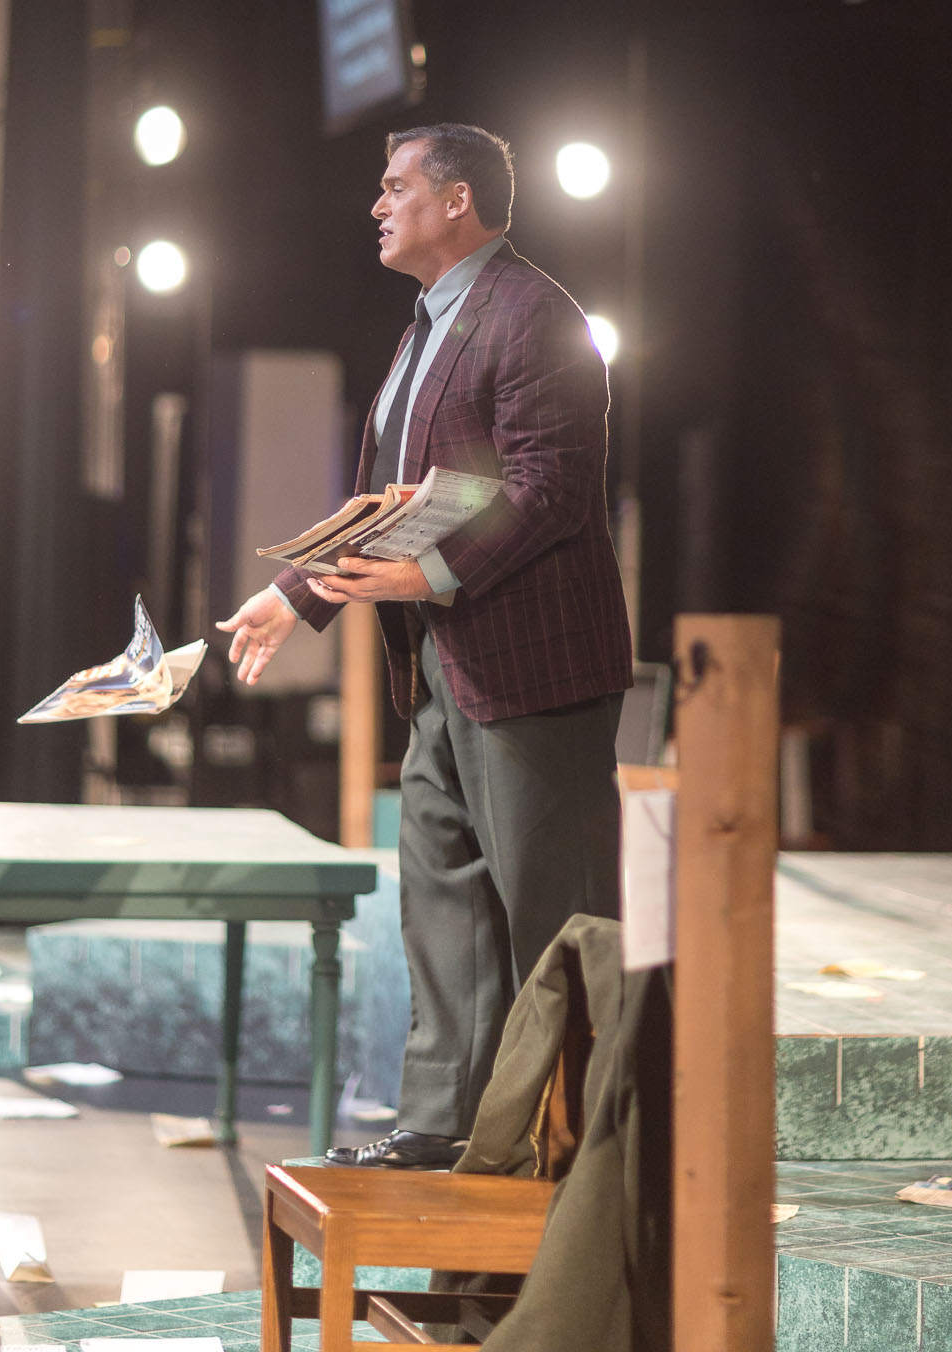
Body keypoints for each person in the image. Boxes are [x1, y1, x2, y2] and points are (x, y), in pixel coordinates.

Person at [220, 122, 632, 1167]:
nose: (377, 204)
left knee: (553, 914)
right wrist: (294, 595)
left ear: (457, 200)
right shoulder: (426, 329)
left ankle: (585, 1138)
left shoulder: (534, 313)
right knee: (442, 897)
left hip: (531, 667)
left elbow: (550, 489)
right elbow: (389, 504)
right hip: (442, 663)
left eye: (396, 185)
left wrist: (428, 574)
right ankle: (442, 1124)